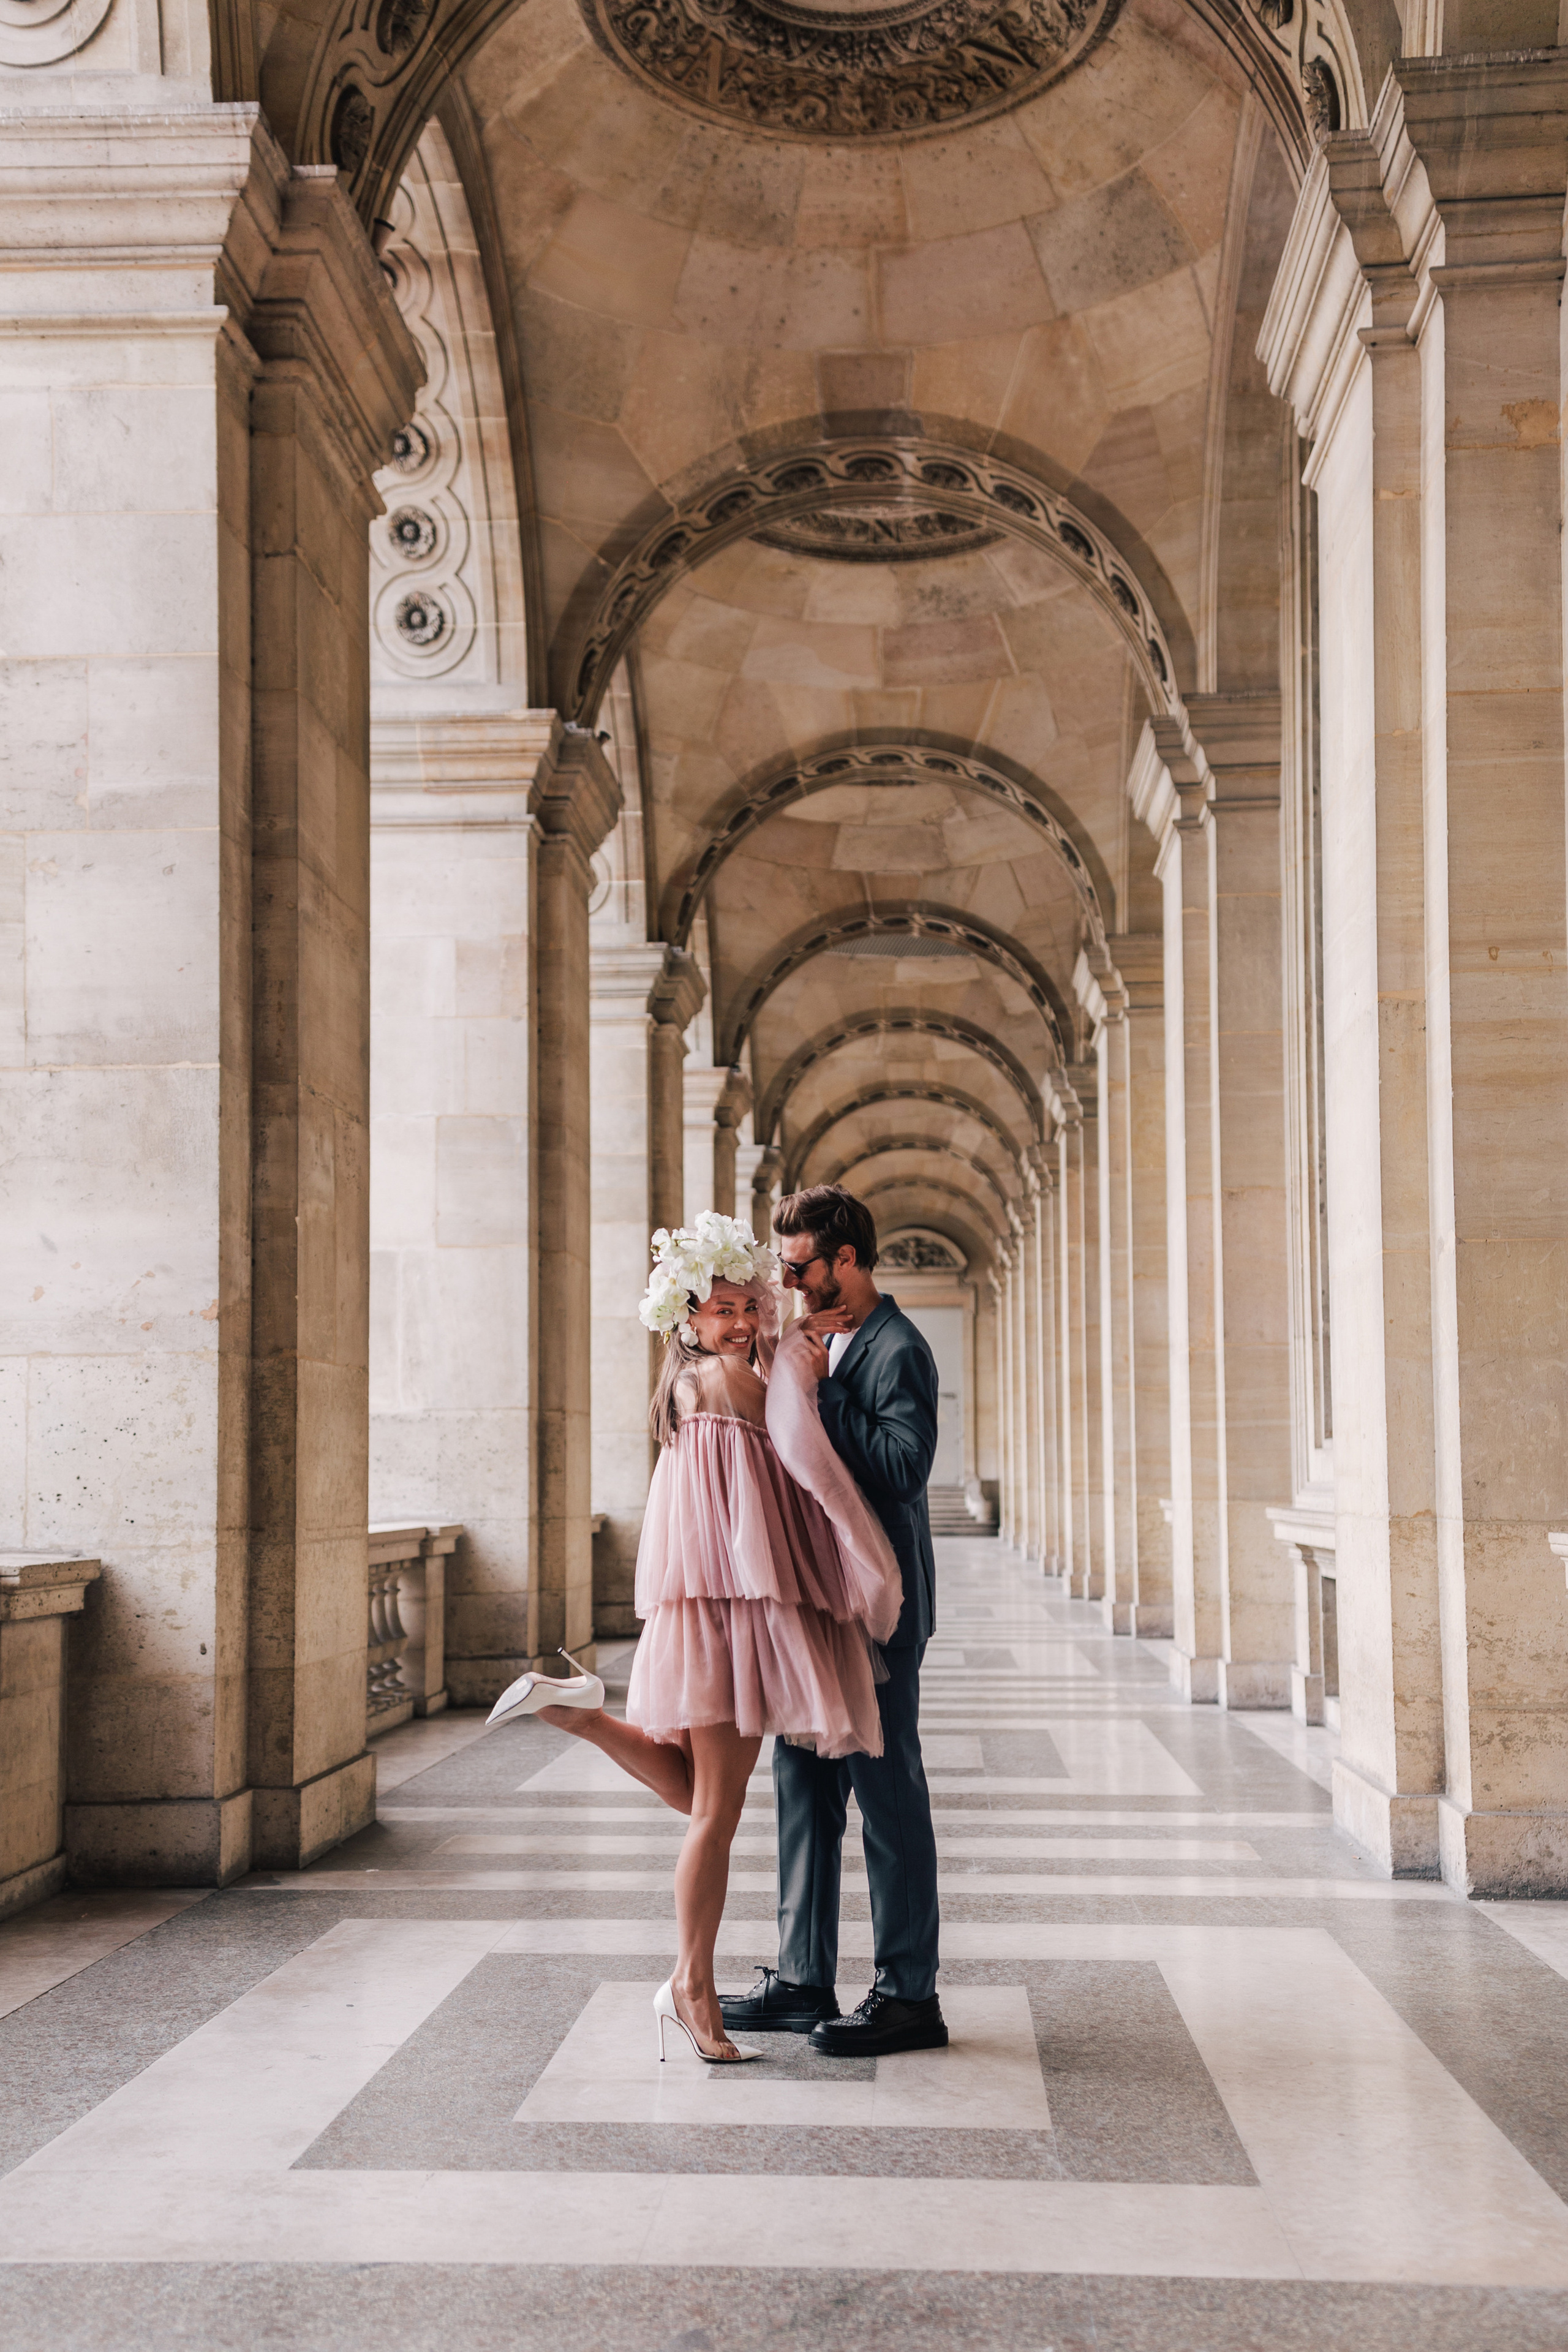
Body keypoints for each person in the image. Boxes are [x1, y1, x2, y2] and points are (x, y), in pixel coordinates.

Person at [483, 1213, 902, 2067]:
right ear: (689, 1321)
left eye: (751, 1304)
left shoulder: (685, 1393)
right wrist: (799, 1346)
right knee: (711, 1812)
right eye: (724, 1310)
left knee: (699, 1795)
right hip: (735, 1614)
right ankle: (691, 1987)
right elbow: (796, 1442)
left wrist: (785, 1340)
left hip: (704, 1614)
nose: (744, 1320)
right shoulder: (728, 1384)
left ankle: (582, 1714)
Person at [719, 1184, 945, 2058]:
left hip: (880, 1612)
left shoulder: (898, 1348)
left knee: (888, 1797)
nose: (788, 1279)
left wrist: (821, 1395)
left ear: (845, 1259)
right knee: (802, 1785)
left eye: (798, 1264)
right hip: (816, 1603)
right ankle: (803, 1974)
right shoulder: (814, 1337)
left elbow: (901, 1468)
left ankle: (908, 1996)